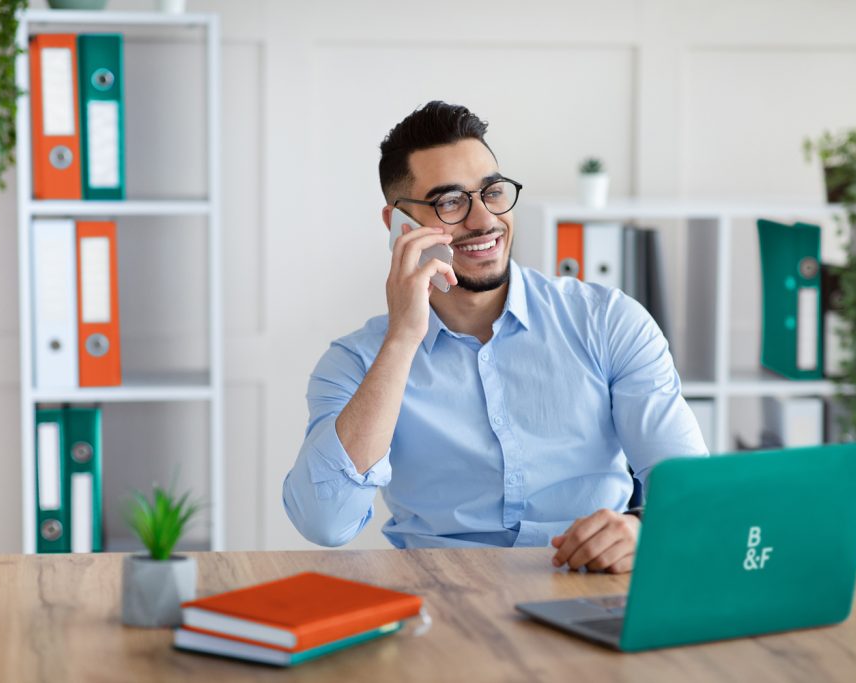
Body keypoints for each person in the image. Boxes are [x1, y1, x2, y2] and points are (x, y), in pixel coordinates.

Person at [283, 101, 707, 573]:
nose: (484, 220)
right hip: (442, 600)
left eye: (492, 192)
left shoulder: (608, 322)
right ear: (399, 225)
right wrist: (402, 339)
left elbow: (692, 490)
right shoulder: (356, 363)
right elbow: (325, 522)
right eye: (450, 202)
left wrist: (644, 529)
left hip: (590, 586)